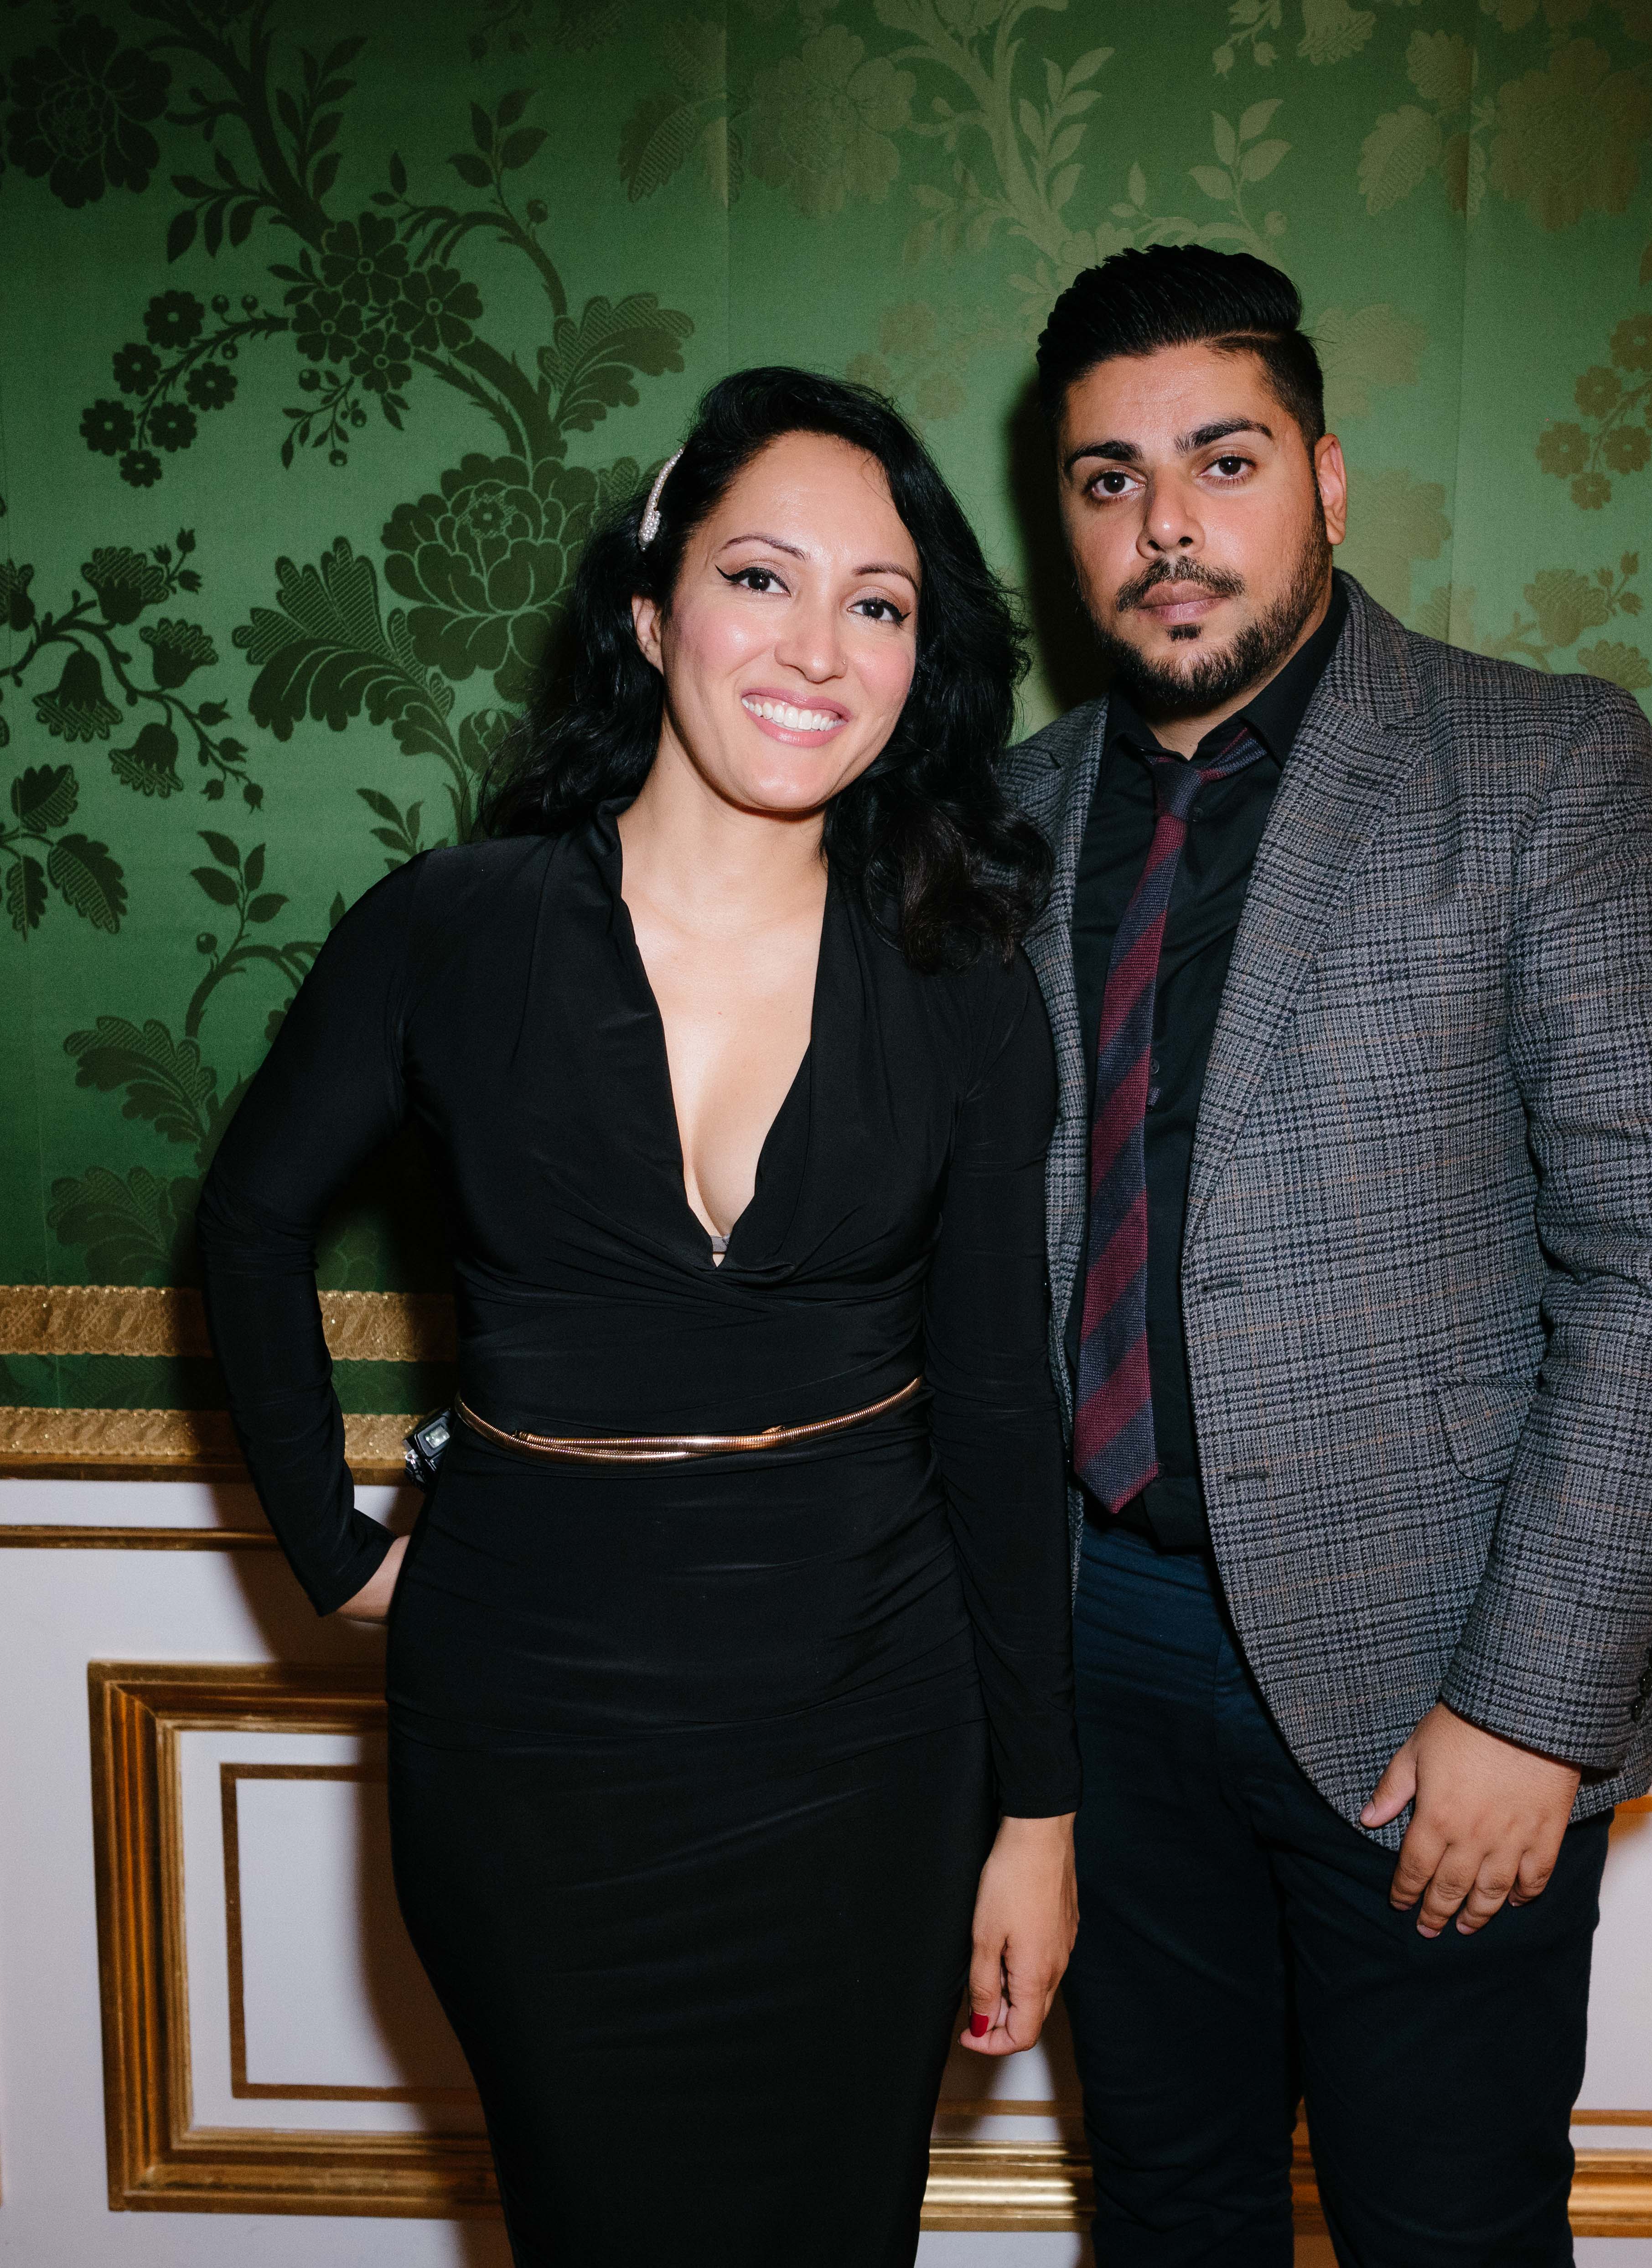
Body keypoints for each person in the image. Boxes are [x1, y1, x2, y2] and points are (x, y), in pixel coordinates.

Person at [197, 367, 1080, 2266]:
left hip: (872, 1735)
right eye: (762, 578)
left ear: (915, 663)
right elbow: (248, 1222)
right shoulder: (451, 926)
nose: (817, 647)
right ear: (651, 608)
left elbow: (1004, 1409)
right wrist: (335, 1552)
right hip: (534, 1745)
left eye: (877, 603)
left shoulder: (961, 968)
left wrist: (1038, 1814)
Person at [1004, 247, 1652, 2262]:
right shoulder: (1000, 821)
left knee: (1446, 2228)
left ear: (1324, 481)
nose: (1166, 524)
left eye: (1222, 459)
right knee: (1169, 2212)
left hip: (1439, 1672)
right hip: (1096, 1661)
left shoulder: (1541, 767)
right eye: (1107, 479)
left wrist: (1532, 1708)